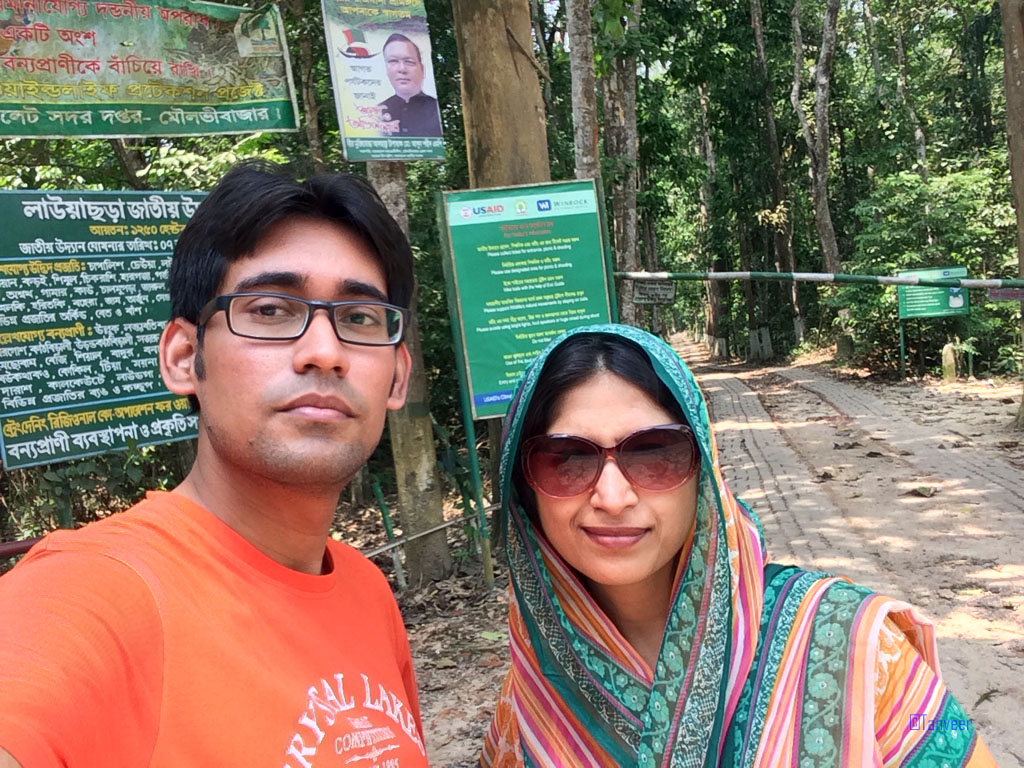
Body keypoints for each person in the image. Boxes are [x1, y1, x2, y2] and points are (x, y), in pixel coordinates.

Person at [0, 162, 429, 767]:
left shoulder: (366, 591)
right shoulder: (94, 594)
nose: (325, 352)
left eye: (359, 318)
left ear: (398, 377)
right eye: (271, 310)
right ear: (184, 357)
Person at [482, 324, 995, 767]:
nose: (613, 498)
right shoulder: (528, 700)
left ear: (705, 474)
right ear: (525, 491)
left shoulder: (854, 645)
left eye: (654, 452)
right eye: (567, 459)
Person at [378, 33, 442, 138]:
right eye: (393, 61)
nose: (402, 69)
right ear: (386, 69)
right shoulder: (376, 112)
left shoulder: (436, 109)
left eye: (409, 62)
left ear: (422, 69)